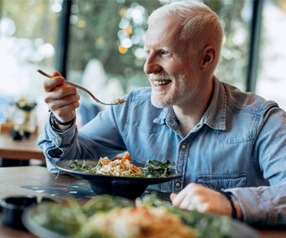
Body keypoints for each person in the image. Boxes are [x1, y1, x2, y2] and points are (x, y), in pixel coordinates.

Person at [38, 1, 286, 225]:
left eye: (164, 52)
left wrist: (231, 203)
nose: (148, 67)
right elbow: (64, 164)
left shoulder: (262, 120)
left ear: (206, 58)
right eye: (148, 52)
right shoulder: (131, 108)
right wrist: (63, 121)